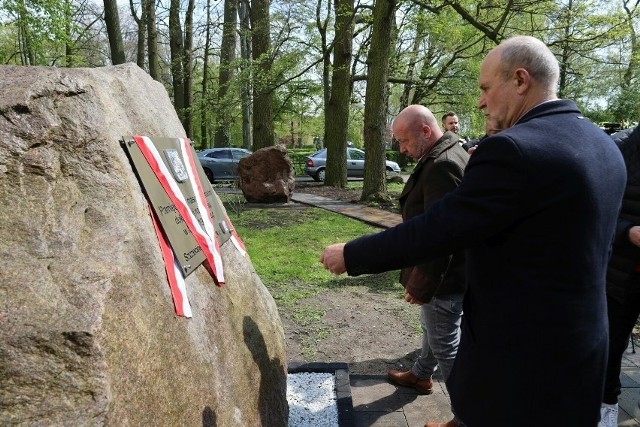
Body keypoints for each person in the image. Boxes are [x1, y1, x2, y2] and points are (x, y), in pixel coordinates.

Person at [320, 35, 626, 426]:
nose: (480, 101)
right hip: (583, 352)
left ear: (519, 80)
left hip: (521, 364)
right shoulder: (603, 145)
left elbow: (438, 229)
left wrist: (352, 253)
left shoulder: (514, 150)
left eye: (484, 88)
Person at [387, 105, 468, 397]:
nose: (402, 148)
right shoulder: (444, 152)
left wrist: (421, 283)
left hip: (443, 277)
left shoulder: (443, 164)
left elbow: (442, 236)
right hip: (445, 273)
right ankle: (421, 375)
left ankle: (467, 414)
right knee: (432, 327)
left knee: (446, 344)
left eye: (405, 141)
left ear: (425, 131)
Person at [599, 125, 640, 427]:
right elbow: (596, 211)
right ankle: (606, 408)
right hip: (621, 275)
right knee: (612, 346)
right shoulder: (619, 148)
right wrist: (628, 231)